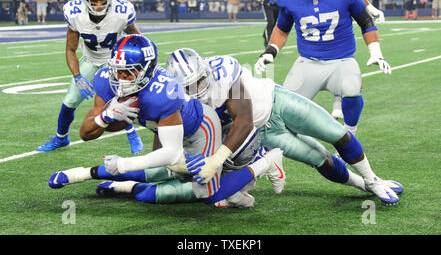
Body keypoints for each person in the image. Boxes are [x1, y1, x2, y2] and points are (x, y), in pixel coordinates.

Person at [48, 34, 285, 208]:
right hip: (166, 130)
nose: (120, 78)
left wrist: (125, 165)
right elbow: (85, 133)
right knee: (152, 182)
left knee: (209, 195)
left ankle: (266, 162)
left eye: (128, 72)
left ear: (146, 71)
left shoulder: (163, 93)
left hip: (201, 129)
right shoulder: (106, 80)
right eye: (117, 69)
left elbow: (171, 154)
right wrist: (105, 117)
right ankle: (84, 175)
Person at [253, 0, 403, 205]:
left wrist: (376, 51)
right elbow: (282, 27)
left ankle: (349, 134)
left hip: (341, 60)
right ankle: (264, 160)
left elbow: (365, 21)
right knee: (275, 115)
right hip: (307, 63)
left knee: (352, 87)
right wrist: (270, 52)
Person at [167, 48, 403, 205]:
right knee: (319, 158)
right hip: (265, 134)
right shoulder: (177, 101)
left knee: (335, 133)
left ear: (206, 70)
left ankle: (373, 179)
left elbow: (244, 118)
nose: (197, 89)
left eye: (199, 80)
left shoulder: (222, 70)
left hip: (276, 102)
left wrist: (215, 160)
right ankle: (365, 185)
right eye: (189, 86)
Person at [36, 0, 144, 154]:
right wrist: (77, 77)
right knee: (70, 100)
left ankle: (132, 134)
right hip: (91, 60)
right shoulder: (75, 14)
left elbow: (137, 39)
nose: (100, 4)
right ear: (85, 1)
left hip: (114, 62)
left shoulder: (121, 12)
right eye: (95, 1)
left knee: (117, 99)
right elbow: (70, 50)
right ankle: (61, 138)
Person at [323, 0, 385, 122]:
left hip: (343, 19)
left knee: (343, 59)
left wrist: (371, 8)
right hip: (322, 20)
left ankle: (338, 101)